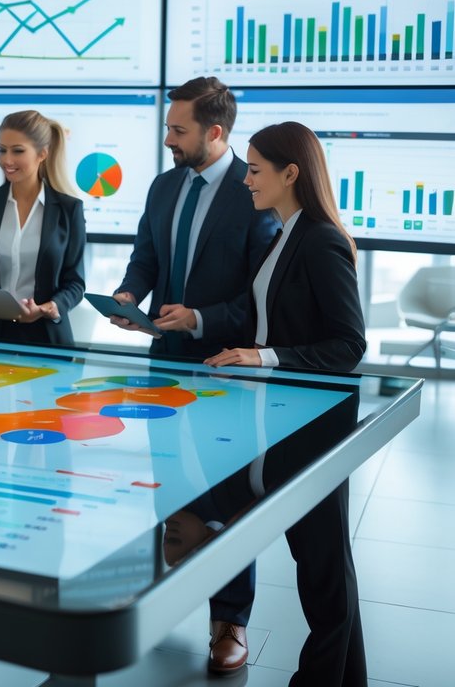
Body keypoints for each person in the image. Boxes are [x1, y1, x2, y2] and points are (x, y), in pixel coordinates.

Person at [111, 76, 277, 674]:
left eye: (178, 130)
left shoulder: (252, 190)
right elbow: (147, 256)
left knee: (229, 495)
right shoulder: (164, 185)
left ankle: (229, 621)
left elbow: (263, 296)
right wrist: (132, 293)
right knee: (172, 485)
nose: (167, 139)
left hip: (223, 363)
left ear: (215, 131)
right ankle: (163, 601)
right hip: (163, 362)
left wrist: (201, 318)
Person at [205, 121, 367, 685]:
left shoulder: (319, 238)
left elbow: (349, 345)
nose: (246, 180)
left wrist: (264, 357)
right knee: (323, 567)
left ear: (290, 173)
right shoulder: (284, 233)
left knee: (322, 569)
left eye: (254, 170)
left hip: (314, 425)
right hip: (284, 420)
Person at [0, 110, 85, 345]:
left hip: (47, 338)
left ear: (42, 153)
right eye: (2, 149)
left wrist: (49, 307)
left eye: (18, 151)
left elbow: (75, 283)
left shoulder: (69, 209)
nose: (6, 160)